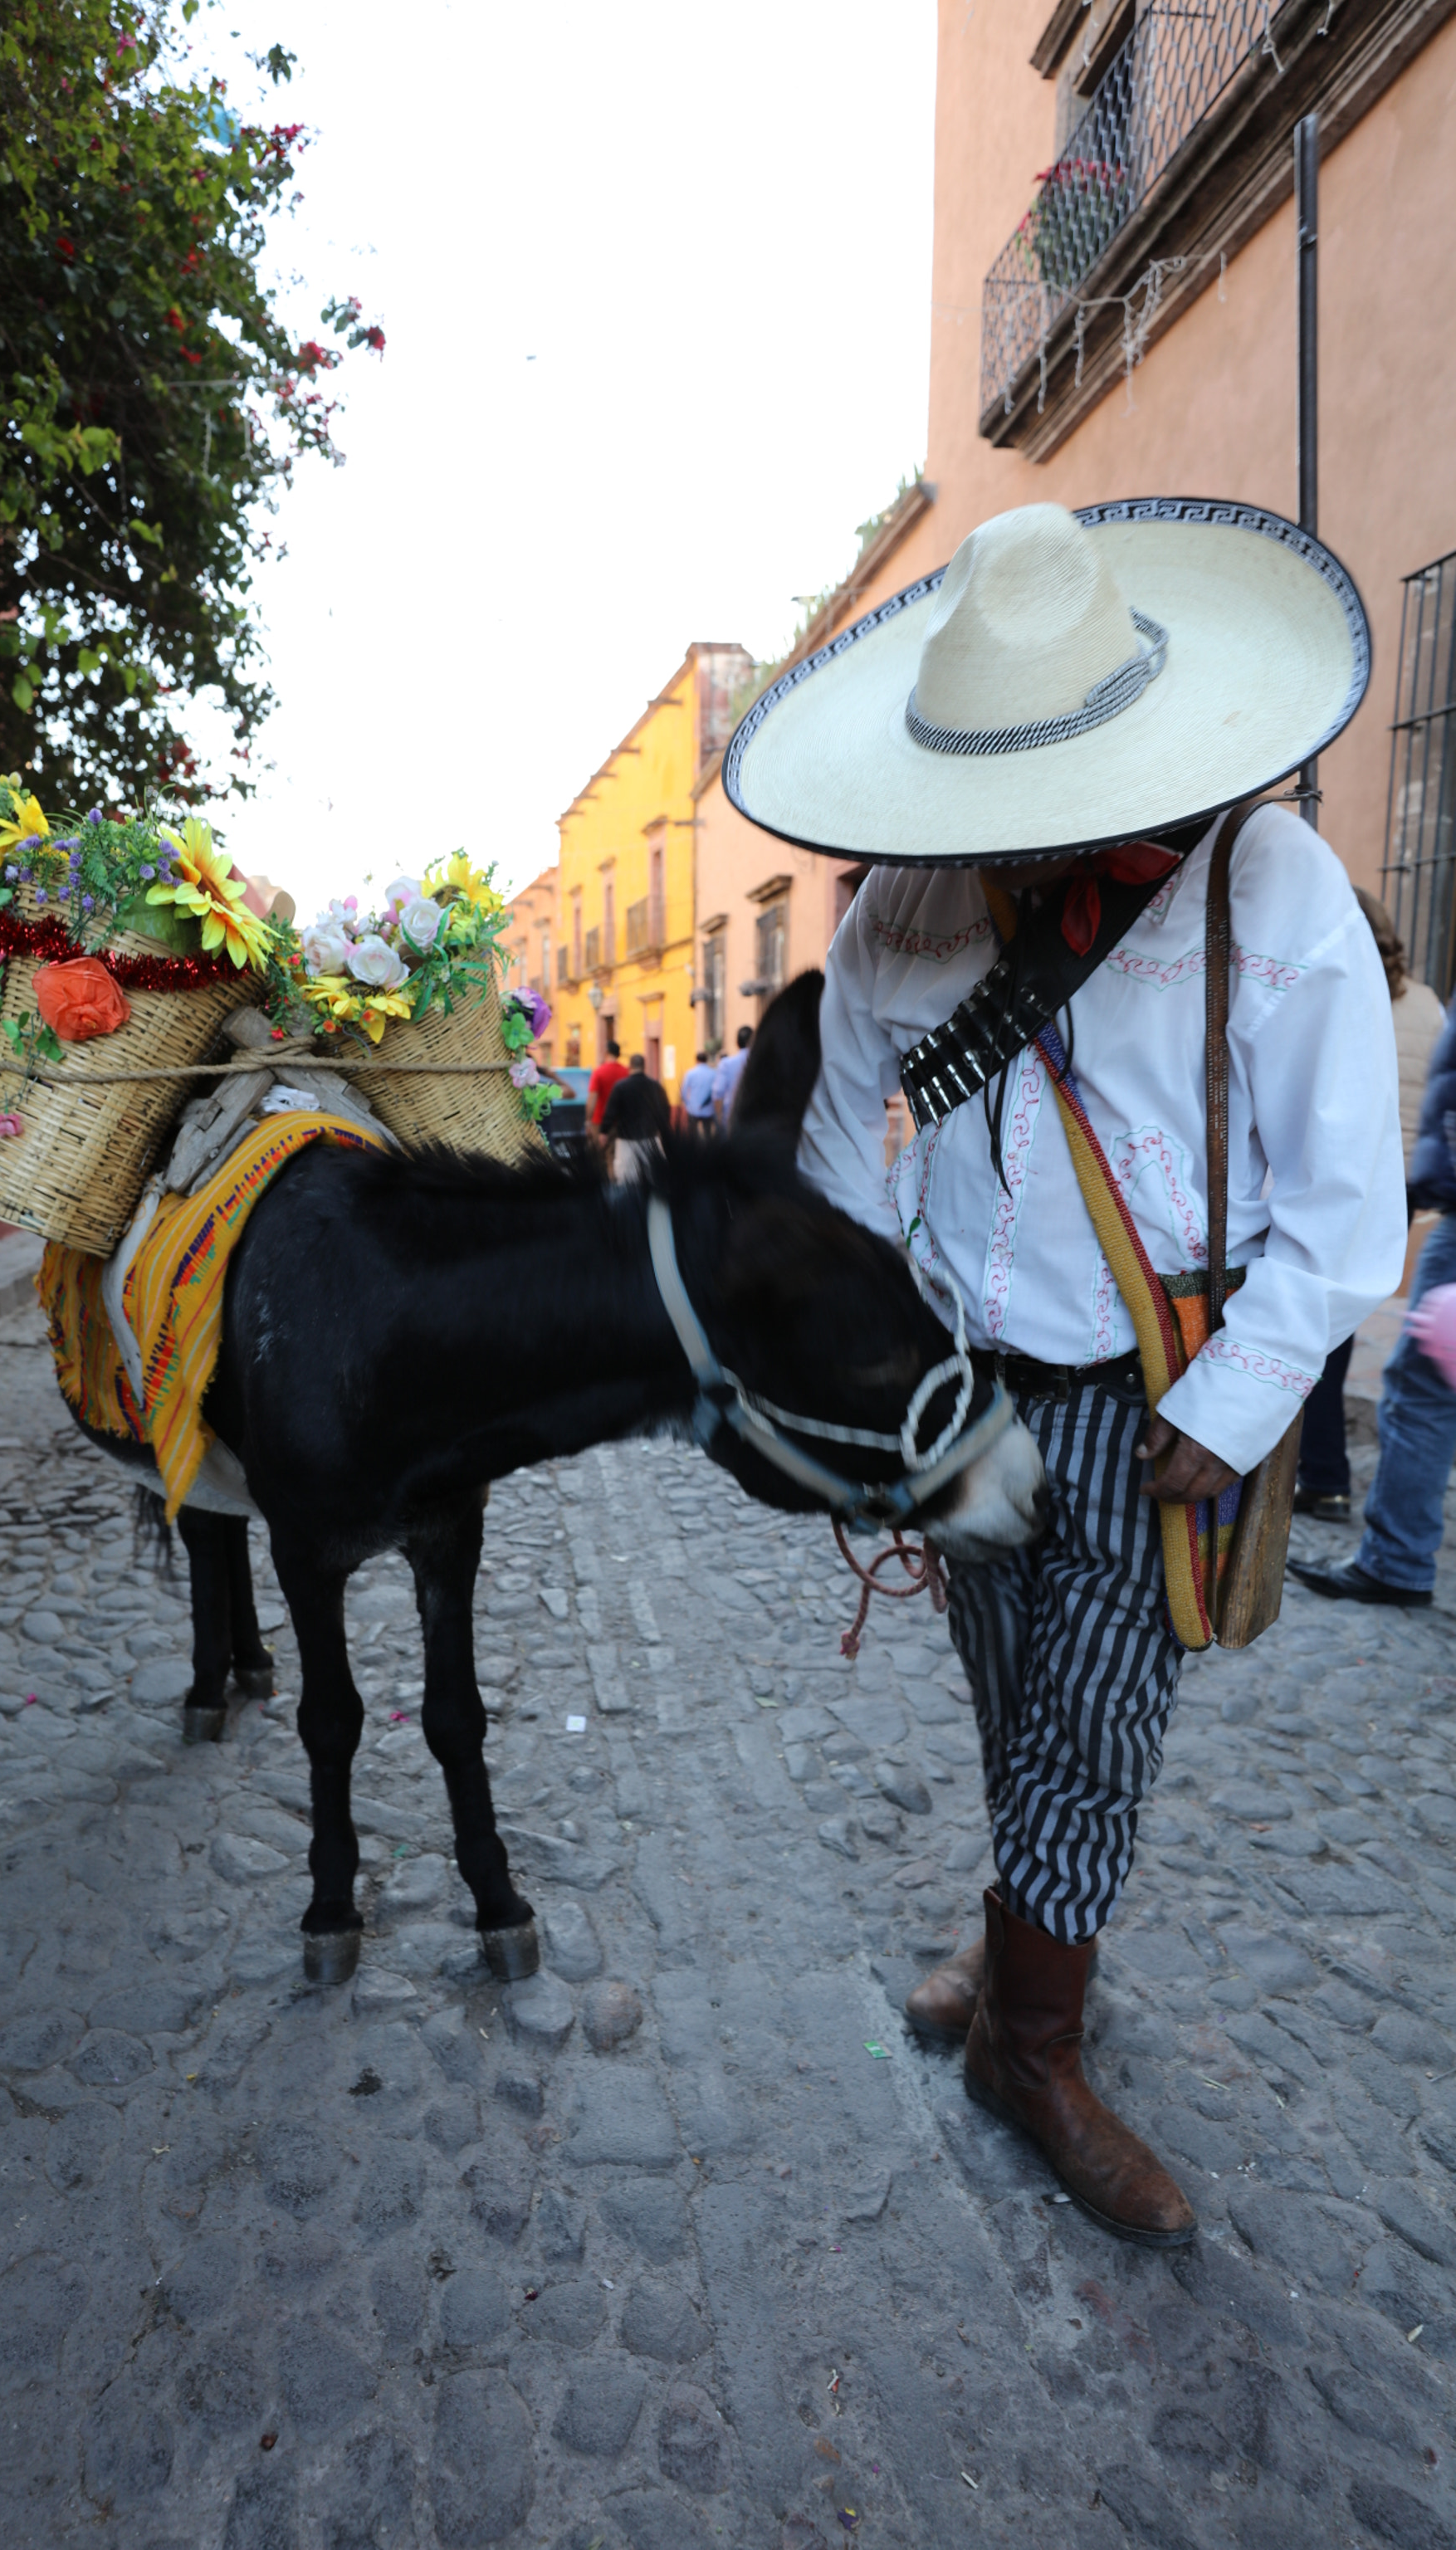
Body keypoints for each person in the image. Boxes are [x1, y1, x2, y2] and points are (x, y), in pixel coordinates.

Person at [727, 497, 1400, 2245]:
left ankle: (1031, 2045)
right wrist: (882, 1343)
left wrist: (1235, 1401)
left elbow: (1341, 1212)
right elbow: (825, 1150)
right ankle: (1022, 1923)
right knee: (1013, 1697)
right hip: (963, 1393)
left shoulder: (1273, 885)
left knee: (1098, 1722)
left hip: (1153, 1397)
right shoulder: (905, 904)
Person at [1289, 985, 1456, 1605]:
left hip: (1376, 1173)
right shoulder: (1425, 998)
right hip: (1407, 1179)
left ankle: (1395, 1557)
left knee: (1418, 1392)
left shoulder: (1341, 981)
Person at [1293, 891, 1444, 1519]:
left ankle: (1324, 1474)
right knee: (1341, 1327)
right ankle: (1323, 1473)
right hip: (1405, 1185)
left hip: (1351, 1180)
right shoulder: (1430, 1002)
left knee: (1318, 1330)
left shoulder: (1334, 993)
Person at [599, 1058, 672, 1183]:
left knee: (626, 1179)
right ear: (644, 1067)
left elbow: (611, 1112)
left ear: (630, 1067)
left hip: (626, 1140)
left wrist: (604, 1131)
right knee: (652, 1177)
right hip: (650, 1138)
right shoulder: (656, 1086)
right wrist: (662, 1130)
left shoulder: (620, 1087)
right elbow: (665, 1110)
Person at [711, 1023, 753, 1128]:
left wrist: (720, 1121)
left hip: (732, 1120)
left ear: (737, 1043)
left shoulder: (726, 1064)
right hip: (758, 1123)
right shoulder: (765, 1062)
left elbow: (718, 1094)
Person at [586, 1038, 628, 1131]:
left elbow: (592, 1099)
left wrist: (588, 1121)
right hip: (621, 1122)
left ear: (606, 1052)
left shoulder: (598, 1072)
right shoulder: (626, 1072)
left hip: (600, 1121)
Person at [680, 1043, 718, 1134]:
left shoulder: (690, 1073)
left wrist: (687, 1103)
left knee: (692, 1134)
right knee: (708, 1133)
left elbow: (684, 1091)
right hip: (708, 1109)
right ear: (707, 1060)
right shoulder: (714, 1073)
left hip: (693, 1109)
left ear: (696, 1060)